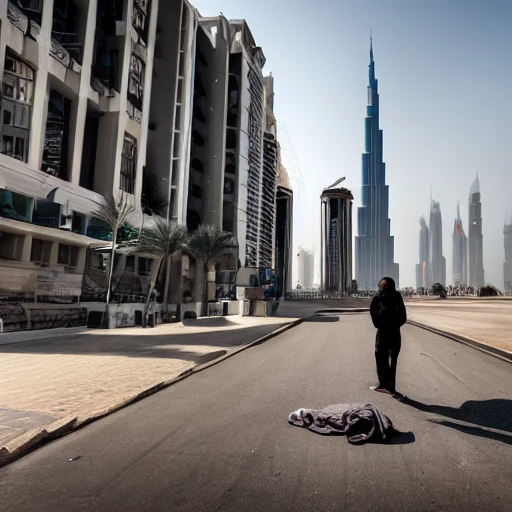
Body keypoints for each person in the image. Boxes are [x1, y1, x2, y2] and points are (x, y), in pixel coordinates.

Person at [369, 277, 407, 401]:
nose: (382, 287)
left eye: (383, 285)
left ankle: (388, 386)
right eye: (381, 285)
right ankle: (387, 385)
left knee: (389, 357)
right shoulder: (381, 297)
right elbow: (373, 312)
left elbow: (403, 315)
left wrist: (391, 325)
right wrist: (380, 325)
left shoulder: (393, 296)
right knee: (383, 357)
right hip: (387, 332)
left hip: (391, 332)